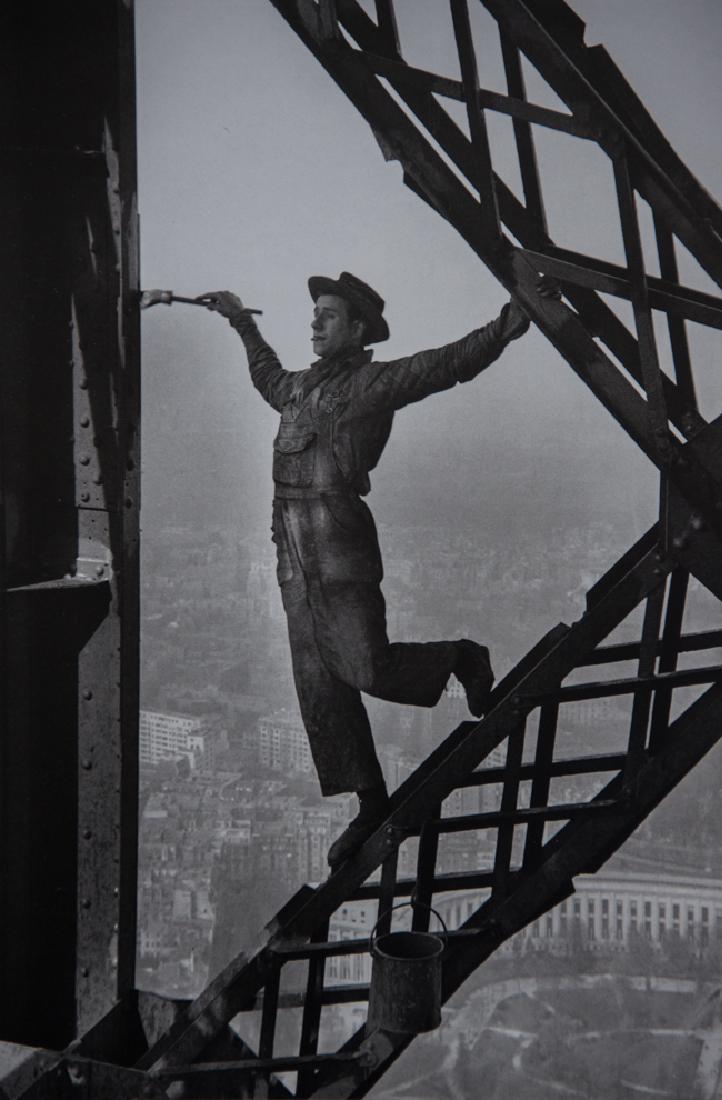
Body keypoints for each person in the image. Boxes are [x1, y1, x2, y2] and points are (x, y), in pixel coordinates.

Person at [203, 272, 547, 869]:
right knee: (319, 687)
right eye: (314, 312)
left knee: (364, 665)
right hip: (294, 555)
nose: (315, 323)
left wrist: (501, 331)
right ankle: (370, 802)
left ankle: (462, 657)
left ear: (358, 329)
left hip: (339, 551)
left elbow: (442, 366)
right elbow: (264, 372)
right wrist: (239, 319)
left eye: (328, 315)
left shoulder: (371, 384)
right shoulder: (297, 388)